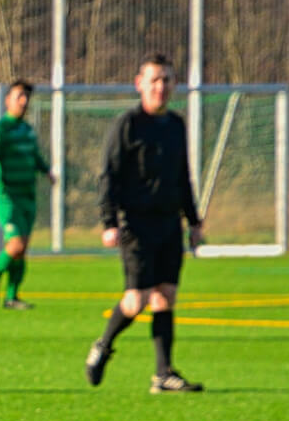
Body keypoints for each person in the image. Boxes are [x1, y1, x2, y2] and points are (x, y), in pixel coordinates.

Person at [85, 52, 204, 393]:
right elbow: (108, 176)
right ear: (140, 84)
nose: (160, 87)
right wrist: (109, 222)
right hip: (136, 226)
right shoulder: (128, 125)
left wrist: (193, 221)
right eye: (154, 80)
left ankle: (163, 374)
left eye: (166, 80)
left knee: (166, 296)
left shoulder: (176, 126)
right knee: (136, 300)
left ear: (174, 85)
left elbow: (183, 177)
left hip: (170, 225)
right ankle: (103, 345)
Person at [0, 80, 54, 309]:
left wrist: (46, 170)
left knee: (22, 248)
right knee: (16, 243)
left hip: (27, 195)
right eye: (19, 96)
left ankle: (12, 296)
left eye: (26, 97)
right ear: (7, 100)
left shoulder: (27, 130)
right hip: (6, 195)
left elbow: (34, 156)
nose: (24, 101)